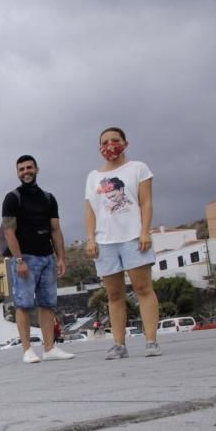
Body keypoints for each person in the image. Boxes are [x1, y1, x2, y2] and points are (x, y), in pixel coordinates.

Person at [85, 126, 161, 359]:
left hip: (133, 237)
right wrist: (91, 238)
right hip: (105, 241)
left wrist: (145, 231)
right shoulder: (93, 177)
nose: (110, 145)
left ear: (125, 143)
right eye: (105, 142)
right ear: (99, 147)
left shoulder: (138, 168)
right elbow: (91, 210)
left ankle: (151, 341)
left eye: (115, 140)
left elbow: (146, 202)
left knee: (143, 289)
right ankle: (119, 344)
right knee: (114, 295)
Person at [2, 154, 75, 364]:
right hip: (25, 258)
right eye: (21, 169)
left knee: (47, 304)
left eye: (29, 168)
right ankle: (27, 350)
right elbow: (9, 232)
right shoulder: (12, 198)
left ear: (37, 169)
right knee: (23, 305)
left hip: (47, 258)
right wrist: (19, 260)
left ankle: (49, 348)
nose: (26, 172)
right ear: (17, 173)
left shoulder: (48, 198)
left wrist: (61, 258)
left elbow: (55, 229)